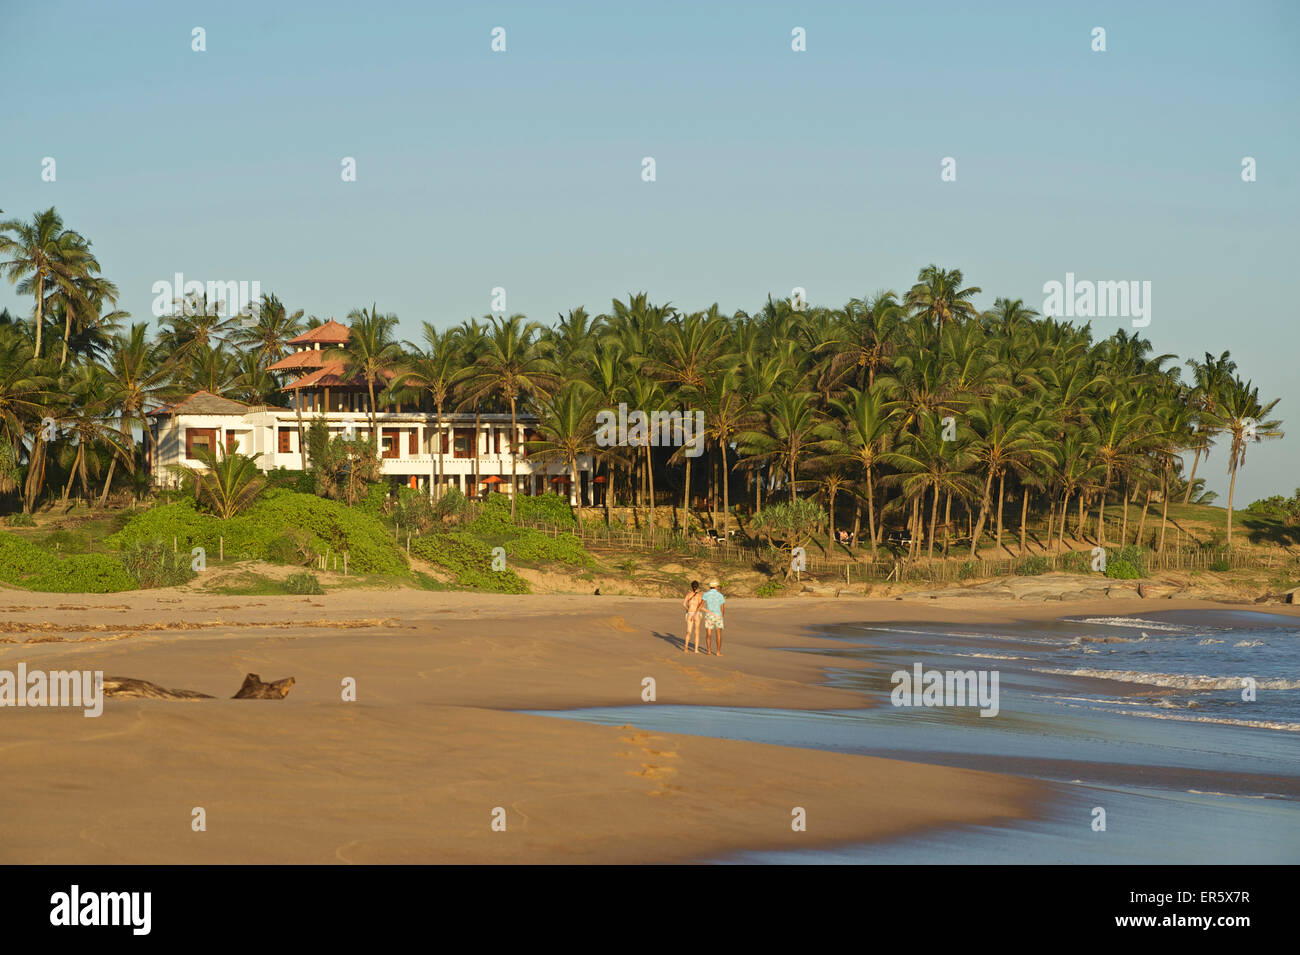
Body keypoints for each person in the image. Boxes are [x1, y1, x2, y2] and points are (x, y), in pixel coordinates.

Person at [701, 579, 725, 656]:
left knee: (708, 634)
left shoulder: (706, 594)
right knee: (718, 634)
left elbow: (701, 607)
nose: (718, 587)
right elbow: (722, 608)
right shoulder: (720, 595)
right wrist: (721, 616)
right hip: (718, 615)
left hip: (709, 616)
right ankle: (718, 652)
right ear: (715, 586)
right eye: (718, 586)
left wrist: (709, 612)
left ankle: (708, 651)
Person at [681, 580, 703, 653]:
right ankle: (696, 649)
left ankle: (686, 647)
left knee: (688, 631)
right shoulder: (699, 595)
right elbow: (700, 605)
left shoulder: (688, 594)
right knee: (697, 632)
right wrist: (696, 612)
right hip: (696, 614)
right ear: (697, 587)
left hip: (690, 613)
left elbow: (684, 604)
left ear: (691, 586)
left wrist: (688, 610)